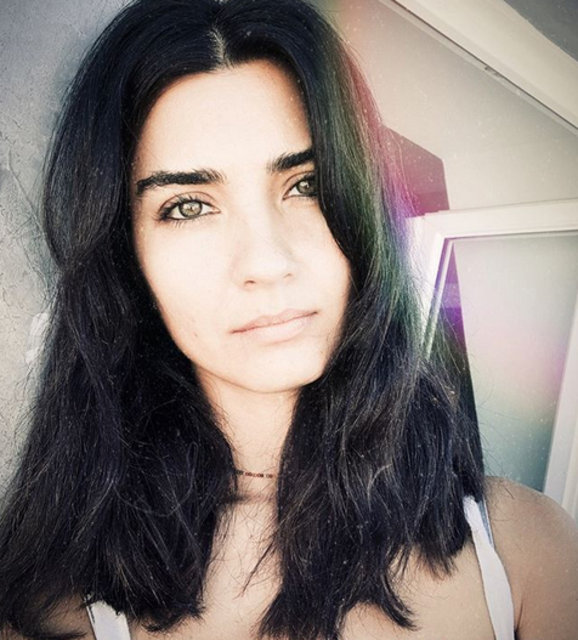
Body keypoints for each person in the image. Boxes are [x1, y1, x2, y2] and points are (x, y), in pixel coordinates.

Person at [1, 0, 577, 638]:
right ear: (125, 256)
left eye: (306, 185)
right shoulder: (51, 609)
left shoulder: (526, 551)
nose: (267, 262)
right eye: (188, 205)